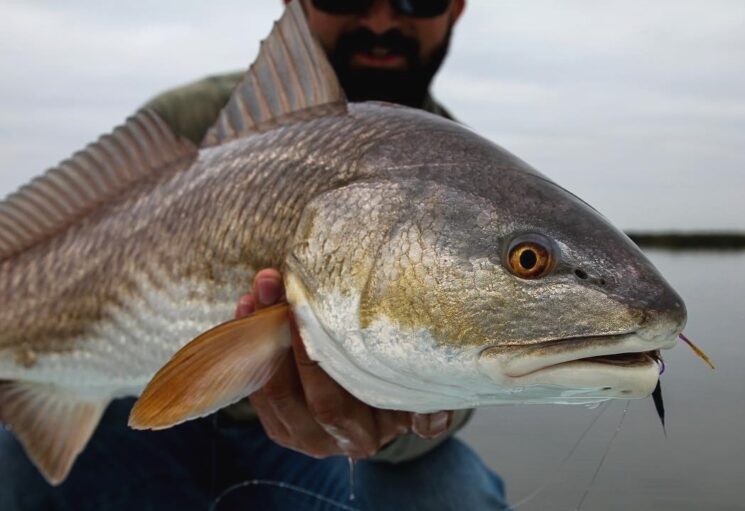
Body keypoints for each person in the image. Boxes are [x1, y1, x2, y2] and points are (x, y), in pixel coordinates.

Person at [0, 1, 510, 509]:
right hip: (140, 423)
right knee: (16, 459)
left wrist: (395, 424)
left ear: (457, 9)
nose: (380, 22)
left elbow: (457, 392)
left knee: (450, 494)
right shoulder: (191, 118)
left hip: (328, 462)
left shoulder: (475, 186)